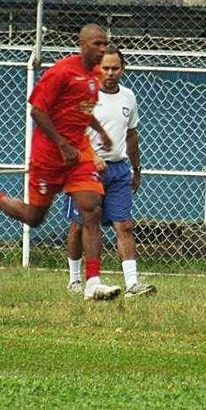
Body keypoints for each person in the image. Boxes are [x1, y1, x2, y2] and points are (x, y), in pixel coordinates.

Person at [0, 24, 121, 301]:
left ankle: (92, 282)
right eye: (97, 44)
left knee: (92, 211)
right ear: (83, 44)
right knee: (34, 217)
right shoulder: (62, 71)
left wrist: (99, 131)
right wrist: (61, 143)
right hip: (49, 155)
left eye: (105, 43)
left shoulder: (94, 76)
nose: (102, 49)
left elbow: (81, 110)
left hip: (77, 156)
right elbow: (37, 110)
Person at [63, 47, 156, 298]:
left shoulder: (128, 97)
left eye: (115, 68)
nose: (110, 73)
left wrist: (136, 168)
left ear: (122, 70)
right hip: (86, 170)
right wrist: (91, 157)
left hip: (119, 170)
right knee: (79, 227)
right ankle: (74, 279)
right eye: (106, 68)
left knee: (124, 225)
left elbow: (132, 135)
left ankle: (132, 284)